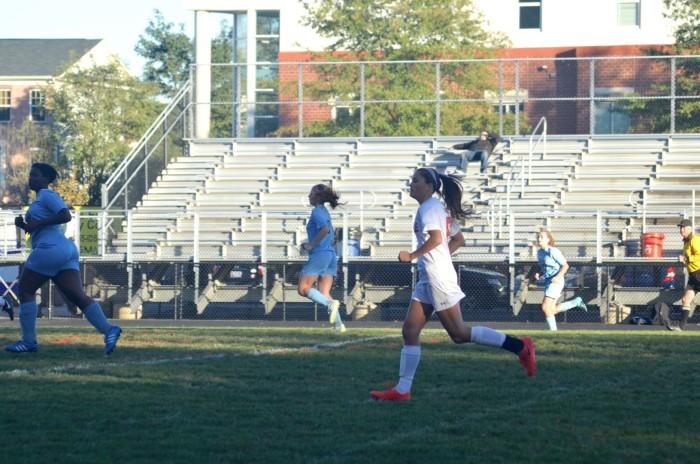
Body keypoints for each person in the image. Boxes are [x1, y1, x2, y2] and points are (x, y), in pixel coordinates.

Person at [369, 168, 535, 402]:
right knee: (410, 330)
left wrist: (413, 255)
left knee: (458, 333)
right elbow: (458, 239)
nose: (411, 184)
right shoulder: (436, 208)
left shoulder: (429, 208)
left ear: (428, 185)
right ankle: (402, 390)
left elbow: (437, 239)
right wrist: (438, 257)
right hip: (430, 276)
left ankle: (520, 347)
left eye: (415, 181)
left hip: (438, 278)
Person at [6, 163, 122, 354]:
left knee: (26, 291)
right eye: (30, 175)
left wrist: (37, 223)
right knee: (78, 296)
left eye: (35, 175)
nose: (30, 179)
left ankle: (28, 342)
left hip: (50, 249)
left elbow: (65, 215)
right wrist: (24, 225)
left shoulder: (47, 194)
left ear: (45, 179)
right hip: (65, 250)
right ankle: (109, 330)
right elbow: (41, 227)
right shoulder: (39, 199)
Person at [298, 184, 346, 333]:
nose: (309, 196)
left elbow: (324, 230)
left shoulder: (317, 212)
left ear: (317, 197)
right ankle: (339, 326)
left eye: (311, 194)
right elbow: (330, 234)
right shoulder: (325, 212)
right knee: (324, 291)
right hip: (330, 255)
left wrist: (311, 244)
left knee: (303, 288)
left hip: (320, 254)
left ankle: (329, 304)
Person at [535, 228, 587, 331]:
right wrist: (538, 273)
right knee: (552, 309)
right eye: (538, 236)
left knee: (545, 307)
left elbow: (565, 266)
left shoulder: (553, 251)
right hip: (548, 281)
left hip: (556, 281)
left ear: (548, 240)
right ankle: (575, 302)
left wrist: (557, 277)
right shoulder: (540, 252)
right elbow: (542, 266)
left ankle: (553, 332)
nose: (539, 238)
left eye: (542, 237)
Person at [676, 219, 700, 331]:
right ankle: (682, 327)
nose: (681, 229)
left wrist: (686, 258)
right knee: (685, 300)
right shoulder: (685, 242)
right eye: (680, 227)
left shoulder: (694, 240)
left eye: (683, 227)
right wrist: (684, 260)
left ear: (690, 228)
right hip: (693, 275)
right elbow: (688, 259)